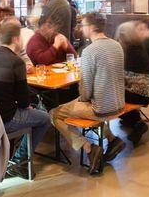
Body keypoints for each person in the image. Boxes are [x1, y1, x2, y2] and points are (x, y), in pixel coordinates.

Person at [50, 12, 126, 175]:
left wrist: (83, 100)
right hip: (119, 104)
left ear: (91, 27)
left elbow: (85, 88)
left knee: (54, 114)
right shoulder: (116, 45)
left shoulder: (90, 51)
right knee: (89, 104)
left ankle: (89, 148)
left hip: (101, 109)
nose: (81, 28)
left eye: (82, 25)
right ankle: (112, 139)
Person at [0, 22, 51, 175]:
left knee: (32, 112)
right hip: (5, 118)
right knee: (44, 118)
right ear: (16, 39)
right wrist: (28, 107)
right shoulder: (16, 62)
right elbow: (24, 102)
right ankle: (19, 161)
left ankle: (14, 156)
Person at [115, 21, 149, 145]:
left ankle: (136, 123)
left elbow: (121, 73)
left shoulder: (127, 49)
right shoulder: (138, 46)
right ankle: (131, 120)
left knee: (114, 95)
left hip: (143, 93)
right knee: (122, 92)